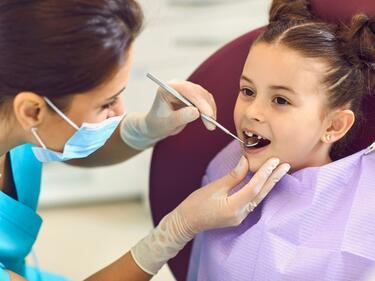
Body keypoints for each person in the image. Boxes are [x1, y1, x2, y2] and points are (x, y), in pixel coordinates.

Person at [0, 0, 292, 280]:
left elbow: (63, 145)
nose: (121, 112)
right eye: (106, 103)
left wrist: (143, 130)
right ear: (32, 111)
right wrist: (175, 230)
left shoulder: (14, 109)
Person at [187, 0, 375, 280]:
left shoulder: (365, 211)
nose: (252, 112)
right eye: (248, 91)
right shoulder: (225, 167)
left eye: (280, 100)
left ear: (335, 125)